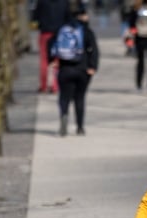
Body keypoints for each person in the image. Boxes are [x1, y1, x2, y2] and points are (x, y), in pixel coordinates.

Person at [47, 3, 99, 136]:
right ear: (83, 16)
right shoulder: (86, 31)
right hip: (82, 70)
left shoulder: (61, 29)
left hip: (65, 69)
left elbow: (50, 44)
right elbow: (94, 50)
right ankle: (80, 127)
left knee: (64, 97)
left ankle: (64, 116)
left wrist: (52, 61)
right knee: (80, 98)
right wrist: (92, 67)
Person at [32, 0, 70, 93]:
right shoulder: (64, 2)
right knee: (57, 60)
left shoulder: (41, 2)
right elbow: (68, 18)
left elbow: (35, 17)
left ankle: (44, 85)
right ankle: (55, 86)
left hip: (45, 33)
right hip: (59, 34)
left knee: (44, 60)